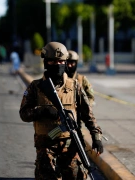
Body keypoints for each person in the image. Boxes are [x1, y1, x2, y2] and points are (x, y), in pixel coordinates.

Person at [19, 42, 103, 180]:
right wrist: (42, 111)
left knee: (78, 176)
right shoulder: (36, 87)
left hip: (69, 143)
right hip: (45, 145)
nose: (57, 64)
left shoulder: (75, 86)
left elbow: (88, 114)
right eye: (53, 61)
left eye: (61, 61)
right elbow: (23, 114)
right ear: (46, 63)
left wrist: (96, 137)